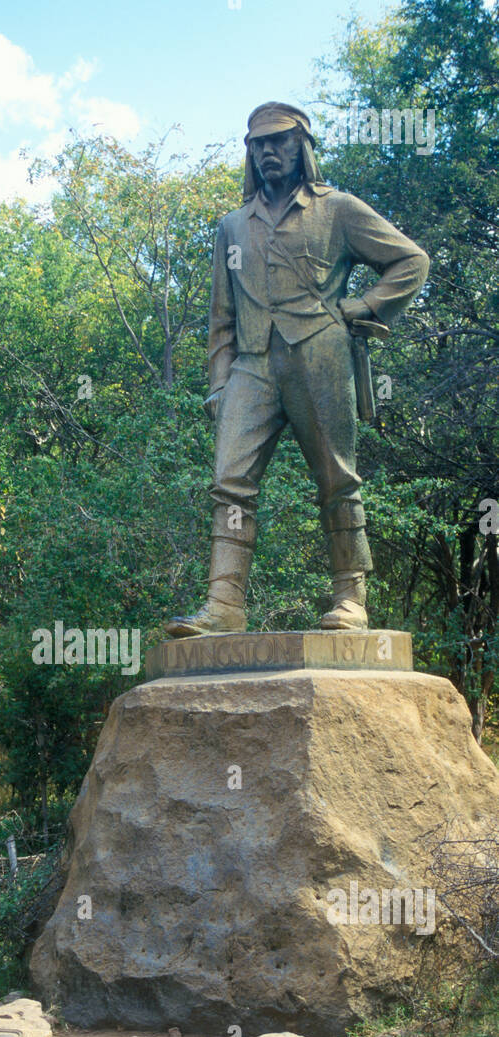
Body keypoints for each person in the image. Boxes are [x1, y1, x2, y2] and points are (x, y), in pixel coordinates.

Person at [166, 101, 429, 637]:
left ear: (302, 146)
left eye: (279, 140)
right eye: (258, 143)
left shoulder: (338, 210)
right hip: (252, 366)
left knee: (336, 477)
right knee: (229, 481)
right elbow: (222, 318)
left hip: (320, 353)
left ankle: (350, 599)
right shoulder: (232, 227)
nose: (267, 151)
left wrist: (361, 308)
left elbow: (410, 261)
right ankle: (224, 605)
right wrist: (219, 385)